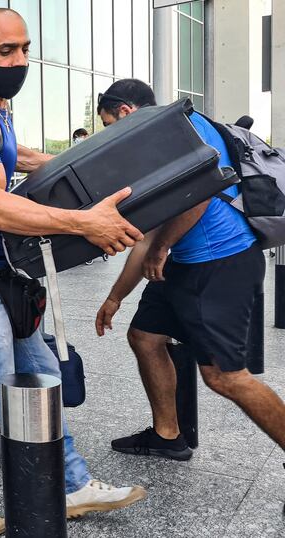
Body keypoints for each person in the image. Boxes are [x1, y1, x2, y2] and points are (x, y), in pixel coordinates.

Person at [0, 9, 147, 535]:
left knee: (44, 378)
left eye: (24, 49)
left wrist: (78, 162)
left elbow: (12, 154)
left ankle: (72, 482)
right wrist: (85, 222)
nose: (19, 60)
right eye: (5, 52)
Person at [94, 79, 285, 458]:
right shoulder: (161, 138)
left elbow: (199, 194)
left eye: (109, 125)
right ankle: (168, 436)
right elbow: (147, 237)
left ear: (126, 112)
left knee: (225, 377)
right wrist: (115, 298)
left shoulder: (175, 129)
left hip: (220, 263)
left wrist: (162, 247)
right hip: (184, 264)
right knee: (146, 337)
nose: (110, 137)